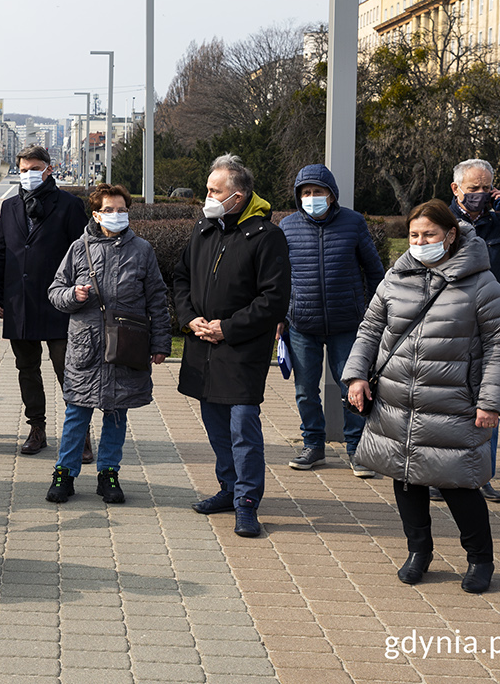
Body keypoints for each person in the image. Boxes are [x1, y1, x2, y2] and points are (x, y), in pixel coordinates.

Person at [344, 200, 500, 594]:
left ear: (450, 235)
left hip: (453, 402)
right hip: (397, 399)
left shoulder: (481, 283)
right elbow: (370, 329)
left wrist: (490, 402)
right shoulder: (395, 278)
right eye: (414, 235)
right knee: (406, 478)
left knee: (459, 484)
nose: (420, 242)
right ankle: (419, 551)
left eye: (429, 234)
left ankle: (480, 559)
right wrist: (356, 376)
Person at [173, 154, 290, 539]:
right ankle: (228, 488)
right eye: (208, 189)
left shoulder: (266, 236)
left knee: (242, 428)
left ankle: (247, 502)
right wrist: (189, 318)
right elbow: (181, 277)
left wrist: (228, 328)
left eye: (214, 191)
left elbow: (273, 299)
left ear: (237, 197)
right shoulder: (203, 228)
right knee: (216, 427)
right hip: (203, 347)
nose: (207, 197)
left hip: (241, 351)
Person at [46, 183, 171, 504]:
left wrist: (160, 342)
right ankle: (64, 473)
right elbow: (55, 291)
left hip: (127, 345)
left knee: (116, 413)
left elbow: (157, 298)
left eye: (122, 210)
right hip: (86, 347)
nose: (117, 215)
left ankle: (109, 473)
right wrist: (72, 295)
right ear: (96, 214)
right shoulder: (79, 248)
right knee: (77, 412)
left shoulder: (142, 250)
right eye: (110, 210)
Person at [278, 164, 385, 477]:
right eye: (306, 193)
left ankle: (357, 448)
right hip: (302, 325)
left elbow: (374, 271)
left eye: (318, 191)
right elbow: (279, 277)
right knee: (305, 390)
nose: (312, 197)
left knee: (352, 387)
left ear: (332, 194)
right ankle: (313, 445)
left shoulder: (353, 223)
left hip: (347, 324)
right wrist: (281, 316)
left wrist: (375, 313)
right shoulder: (287, 226)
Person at [0, 145, 88, 456]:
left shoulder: (70, 205)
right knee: (27, 369)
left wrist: (77, 293)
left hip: (60, 303)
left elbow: (83, 253)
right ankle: (37, 428)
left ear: (49, 169)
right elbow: (2, 251)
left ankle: (80, 435)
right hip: (19, 303)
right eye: (23, 170)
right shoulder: (9, 206)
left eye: (34, 169)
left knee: (68, 371)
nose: (28, 174)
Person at [447, 158, 500, 503]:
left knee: (488, 402)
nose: (480, 194)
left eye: (486, 188)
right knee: (446, 401)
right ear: (456, 189)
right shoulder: (441, 220)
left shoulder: (497, 223)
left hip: (487, 324)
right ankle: (441, 475)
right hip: (448, 324)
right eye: (473, 188)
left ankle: (481, 477)